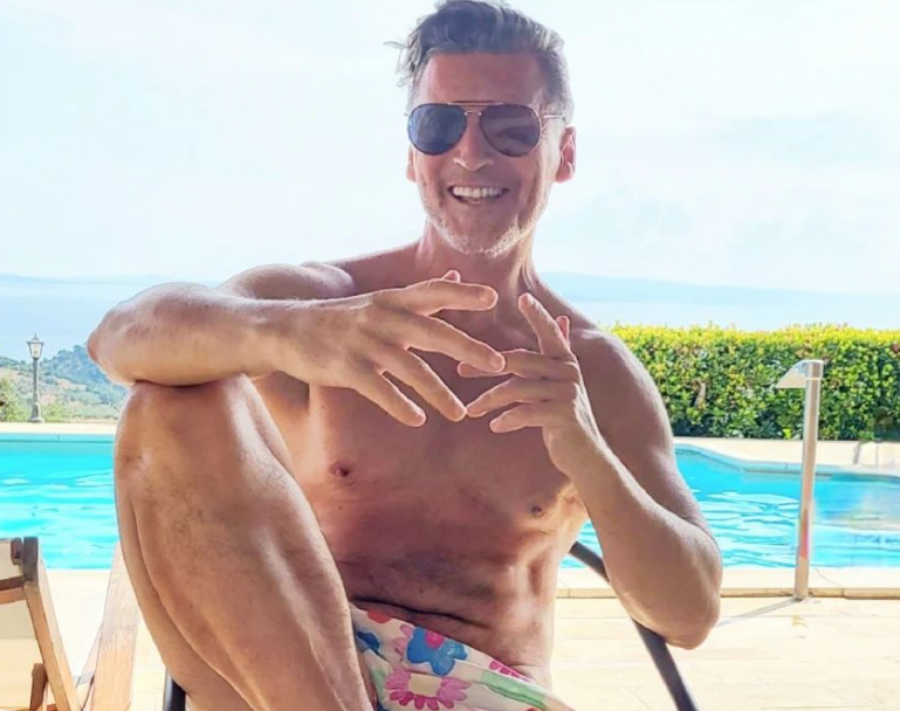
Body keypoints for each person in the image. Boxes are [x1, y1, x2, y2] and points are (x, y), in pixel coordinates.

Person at [88, 2, 722, 710]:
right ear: (412, 151)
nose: (471, 154)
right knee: (172, 403)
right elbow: (118, 338)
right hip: (293, 669)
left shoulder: (592, 371)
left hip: (484, 689)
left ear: (564, 152)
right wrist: (288, 333)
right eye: (439, 124)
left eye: (511, 127)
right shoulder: (326, 308)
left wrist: (589, 456)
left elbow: (689, 613)